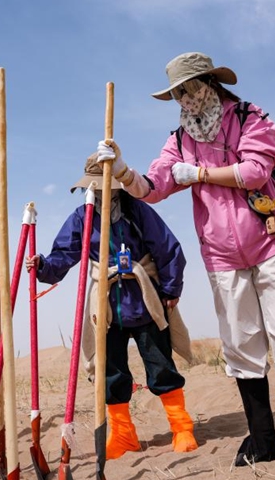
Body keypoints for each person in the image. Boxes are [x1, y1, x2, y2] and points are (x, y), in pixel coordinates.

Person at [96, 52, 275, 468]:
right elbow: (154, 186)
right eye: (177, 94)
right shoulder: (180, 140)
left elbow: (256, 170)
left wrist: (201, 175)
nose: (184, 100)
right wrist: (123, 171)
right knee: (241, 342)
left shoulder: (249, 117)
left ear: (210, 82)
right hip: (221, 253)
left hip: (270, 239)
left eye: (189, 89)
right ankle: (262, 439)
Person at [25, 153, 198, 459]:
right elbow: (63, 255)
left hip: (145, 302)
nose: (103, 193)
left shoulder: (138, 211)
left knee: (161, 368)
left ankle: (181, 427)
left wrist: (170, 289)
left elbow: (169, 249)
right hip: (107, 309)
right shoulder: (82, 217)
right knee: (112, 374)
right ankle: (123, 435)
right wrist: (42, 266)